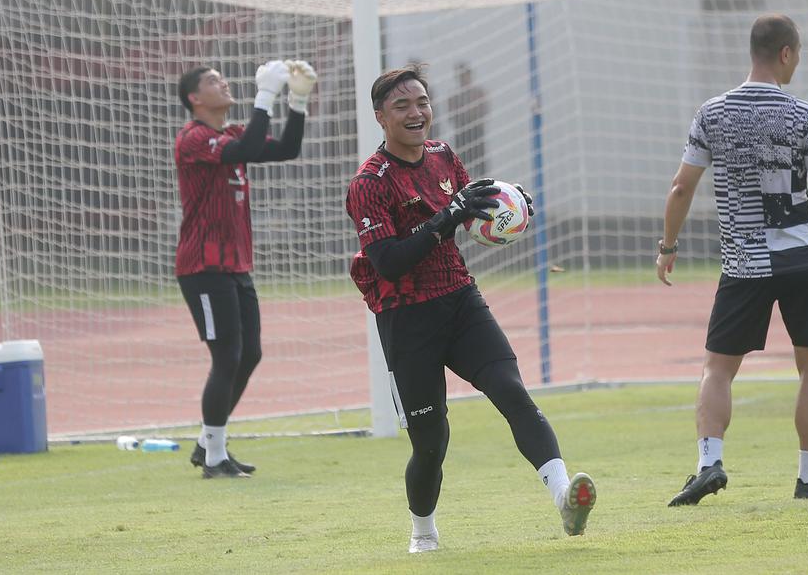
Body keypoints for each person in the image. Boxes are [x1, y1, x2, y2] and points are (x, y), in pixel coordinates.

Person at [345, 64, 595, 553]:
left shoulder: (443, 155)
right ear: (380, 117)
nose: (417, 113)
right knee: (431, 441)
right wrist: (449, 216)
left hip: (460, 299)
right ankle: (423, 533)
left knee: (512, 391)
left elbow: (469, 212)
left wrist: (507, 208)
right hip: (406, 317)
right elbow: (389, 262)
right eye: (402, 106)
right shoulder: (369, 182)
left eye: (422, 102)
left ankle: (566, 497)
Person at [656, 14, 808, 505]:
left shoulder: (711, 113)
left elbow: (681, 187)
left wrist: (668, 246)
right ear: (785, 53)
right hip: (803, 257)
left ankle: (709, 464)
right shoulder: (804, 114)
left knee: (718, 368)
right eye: (797, 55)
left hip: (745, 262)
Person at [175, 59, 317, 478]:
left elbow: (285, 149)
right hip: (203, 266)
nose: (223, 83)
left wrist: (299, 100)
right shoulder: (193, 138)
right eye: (212, 81)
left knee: (249, 353)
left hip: (235, 265)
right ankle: (215, 457)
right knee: (226, 356)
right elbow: (243, 150)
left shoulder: (232, 134)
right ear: (194, 99)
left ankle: (207, 442)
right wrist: (265, 96)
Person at [447, 62, 490, 176]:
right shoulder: (454, 96)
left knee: (480, 166)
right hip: (461, 135)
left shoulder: (478, 93)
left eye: (465, 75)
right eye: (461, 76)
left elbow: (483, 111)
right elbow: (452, 116)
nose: (463, 79)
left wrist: (469, 113)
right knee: (463, 166)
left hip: (477, 133)